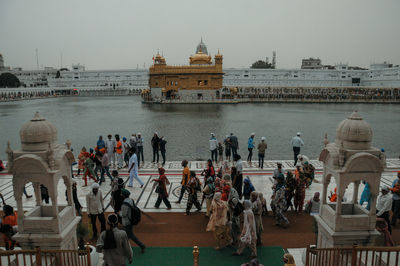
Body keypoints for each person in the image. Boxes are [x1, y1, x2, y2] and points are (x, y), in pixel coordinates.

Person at [121, 188, 146, 253]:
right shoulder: (131, 200)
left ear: (123, 195)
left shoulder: (124, 204)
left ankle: (141, 245)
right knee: (127, 235)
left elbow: (123, 214)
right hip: (131, 220)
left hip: (127, 221)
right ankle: (123, 247)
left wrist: (119, 213)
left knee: (130, 235)